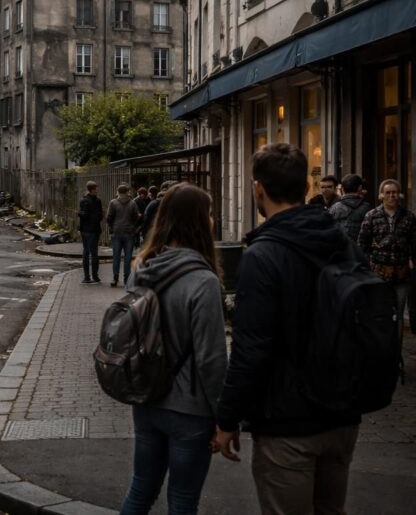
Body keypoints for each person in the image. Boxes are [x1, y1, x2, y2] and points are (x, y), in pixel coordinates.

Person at [215, 143, 360, 514]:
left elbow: (251, 350)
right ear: (306, 188)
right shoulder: (339, 242)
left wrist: (227, 418)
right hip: (342, 413)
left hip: (287, 421)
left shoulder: (263, 255)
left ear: (258, 188)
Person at [119, 183, 227, 515]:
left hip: (147, 398)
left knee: (140, 489)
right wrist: (224, 417)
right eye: (209, 214)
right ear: (198, 221)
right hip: (189, 408)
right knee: (182, 500)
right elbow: (211, 359)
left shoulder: (141, 269)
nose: (212, 220)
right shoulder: (203, 280)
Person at [358, 179, 416, 336]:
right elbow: (362, 244)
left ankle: (396, 349)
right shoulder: (371, 216)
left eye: (394, 192)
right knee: (381, 314)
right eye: (388, 193)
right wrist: (367, 268)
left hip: (402, 275)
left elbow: (414, 244)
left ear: (400, 195)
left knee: (399, 316)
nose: (392, 196)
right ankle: (382, 347)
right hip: (379, 274)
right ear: (381, 195)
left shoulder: (409, 217)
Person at [107, 183, 141, 287]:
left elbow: (109, 217)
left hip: (116, 232)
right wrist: (133, 227)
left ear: (118, 192)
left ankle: (115, 278)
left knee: (116, 256)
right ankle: (127, 279)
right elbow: (137, 217)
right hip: (129, 232)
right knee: (128, 257)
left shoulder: (113, 203)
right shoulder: (132, 203)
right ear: (127, 192)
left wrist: (112, 227)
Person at [329, 173, 372, 244]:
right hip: (360, 249)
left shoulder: (334, 208)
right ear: (360, 188)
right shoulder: (367, 208)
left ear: (342, 189)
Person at [78, 181, 104, 284]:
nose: (97, 190)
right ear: (92, 190)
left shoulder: (84, 200)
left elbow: (84, 215)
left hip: (85, 229)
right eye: (96, 189)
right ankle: (95, 276)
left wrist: (79, 214)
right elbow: (100, 215)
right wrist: (96, 218)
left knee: (86, 252)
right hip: (94, 229)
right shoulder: (97, 201)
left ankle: (87, 276)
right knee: (94, 253)